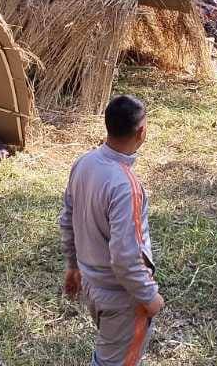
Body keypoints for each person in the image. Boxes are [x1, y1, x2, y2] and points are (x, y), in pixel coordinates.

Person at [61, 95, 163, 366]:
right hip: (122, 299)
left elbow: (68, 218)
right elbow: (125, 257)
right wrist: (149, 296)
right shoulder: (125, 186)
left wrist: (73, 266)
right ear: (142, 132)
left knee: (107, 356)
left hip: (92, 287)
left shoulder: (84, 163)